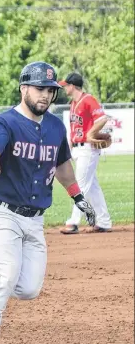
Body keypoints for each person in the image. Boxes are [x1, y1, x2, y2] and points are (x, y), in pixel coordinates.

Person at [0, 62, 96, 344]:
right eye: (39, 89)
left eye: (50, 90)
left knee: (28, 288)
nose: (45, 95)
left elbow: (61, 165)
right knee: (5, 276)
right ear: (23, 89)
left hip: (34, 218)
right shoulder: (5, 122)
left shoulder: (55, 127)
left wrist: (77, 196)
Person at [58, 73, 112, 234]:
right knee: (92, 186)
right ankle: (104, 221)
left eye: (66, 85)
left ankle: (73, 222)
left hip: (88, 149)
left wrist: (91, 133)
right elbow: (74, 129)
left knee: (80, 185)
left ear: (73, 85)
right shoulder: (74, 103)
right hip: (77, 148)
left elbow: (102, 118)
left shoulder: (88, 99)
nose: (64, 88)